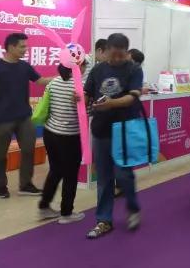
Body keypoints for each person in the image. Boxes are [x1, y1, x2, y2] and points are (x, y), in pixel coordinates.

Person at [84, 33, 144, 239]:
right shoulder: (97, 69)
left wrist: (111, 104)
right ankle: (103, 220)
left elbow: (132, 97)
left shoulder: (134, 69)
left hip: (124, 130)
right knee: (103, 178)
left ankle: (133, 208)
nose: (117, 58)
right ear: (106, 50)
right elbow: (88, 92)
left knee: (124, 174)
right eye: (114, 54)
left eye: (121, 55)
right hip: (101, 130)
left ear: (127, 52)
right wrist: (82, 99)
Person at [0, 33, 52, 198]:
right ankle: (0, 186)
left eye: (26, 46)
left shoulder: (24, 66)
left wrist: (63, 77)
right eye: (22, 46)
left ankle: (26, 185)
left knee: (28, 150)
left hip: (24, 117)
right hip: (1, 118)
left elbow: (40, 81)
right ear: (11, 47)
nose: (25, 49)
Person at [37, 63, 86, 224]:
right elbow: (85, 113)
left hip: (50, 133)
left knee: (56, 170)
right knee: (70, 174)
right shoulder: (79, 86)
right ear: (78, 67)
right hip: (68, 136)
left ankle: (44, 207)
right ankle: (66, 213)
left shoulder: (54, 82)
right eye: (84, 65)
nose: (85, 68)